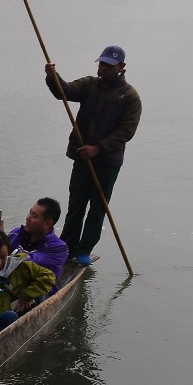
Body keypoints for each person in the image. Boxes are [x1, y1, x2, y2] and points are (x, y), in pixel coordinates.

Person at [44, 45, 142, 264]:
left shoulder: (130, 96)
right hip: (82, 157)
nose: (103, 68)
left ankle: (84, 250)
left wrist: (98, 148)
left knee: (98, 207)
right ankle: (66, 247)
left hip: (107, 161)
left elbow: (127, 130)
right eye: (102, 63)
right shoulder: (89, 85)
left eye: (109, 65)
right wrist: (52, 76)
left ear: (121, 67)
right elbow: (65, 92)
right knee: (76, 203)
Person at [0, 229, 55, 332]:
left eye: (3, 257)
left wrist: (26, 295)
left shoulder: (19, 265)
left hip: (15, 312)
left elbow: (49, 277)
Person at [0, 198, 70, 279]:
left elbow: (26, 262)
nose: (27, 218)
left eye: (34, 216)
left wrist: (0, 237)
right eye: (29, 213)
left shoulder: (59, 249)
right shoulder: (16, 233)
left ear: (48, 224)